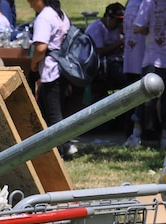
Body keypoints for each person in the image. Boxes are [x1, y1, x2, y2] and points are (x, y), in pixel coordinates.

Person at [28, 0, 74, 157]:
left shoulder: (44, 17)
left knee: (54, 114)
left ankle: (64, 147)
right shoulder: (60, 15)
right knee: (43, 110)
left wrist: (34, 63)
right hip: (63, 68)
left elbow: (40, 47)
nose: (29, 3)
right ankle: (43, 148)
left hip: (50, 71)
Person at [133, 0, 166, 148]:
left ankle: (138, 136)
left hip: (152, 57)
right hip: (159, 57)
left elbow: (138, 26)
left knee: (144, 97)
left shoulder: (149, 2)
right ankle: (164, 137)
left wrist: (146, 30)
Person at [85, 3, 126, 92]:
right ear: (108, 17)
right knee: (124, 78)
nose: (120, 23)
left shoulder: (118, 28)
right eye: (117, 21)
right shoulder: (96, 29)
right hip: (103, 65)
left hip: (119, 60)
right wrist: (120, 43)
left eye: (122, 21)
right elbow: (99, 52)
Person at [122, 0, 146, 142]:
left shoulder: (130, 4)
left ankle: (129, 132)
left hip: (130, 58)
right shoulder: (146, 4)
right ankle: (138, 133)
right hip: (142, 58)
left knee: (129, 99)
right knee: (140, 100)